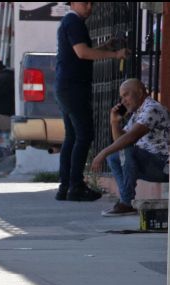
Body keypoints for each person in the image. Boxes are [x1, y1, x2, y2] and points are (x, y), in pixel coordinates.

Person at [55, 2, 129, 201]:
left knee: (72, 136)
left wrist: (103, 47)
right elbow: (82, 53)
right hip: (74, 87)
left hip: (66, 86)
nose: (89, 6)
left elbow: (80, 52)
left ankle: (65, 186)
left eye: (91, 2)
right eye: (84, 2)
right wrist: (115, 54)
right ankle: (76, 186)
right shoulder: (73, 22)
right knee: (84, 135)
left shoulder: (71, 22)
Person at [91, 79, 170, 216]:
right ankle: (125, 200)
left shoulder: (152, 109)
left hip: (163, 165)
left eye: (126, 95)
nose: (123, 101)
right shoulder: (138, 113)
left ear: (139, 93)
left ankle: (127, 203)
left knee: (127, 149)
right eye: (121, 97)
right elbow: (120, 140)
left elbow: (131, 138)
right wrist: (114, 122)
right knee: (114, 156)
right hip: (152, 164)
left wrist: (102, 152)